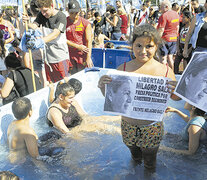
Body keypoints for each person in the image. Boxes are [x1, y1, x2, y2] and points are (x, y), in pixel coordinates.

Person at [98, 24, 179, 169]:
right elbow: (113, 100)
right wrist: (103, 87)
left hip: (151, 126)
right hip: (128, 125)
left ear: (156, 47)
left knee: (149, 161)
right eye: (139, 45)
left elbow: (175, 98)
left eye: (149, 46)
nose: (143, 51)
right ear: (132, 46)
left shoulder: (165, 72)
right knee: (135, 156)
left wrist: (176, 90)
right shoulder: (123, 69)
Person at [47, 80, 121, 134]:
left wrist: (92, 120)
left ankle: (122, 120)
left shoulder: (71, 102)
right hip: (72, 131)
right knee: (99, 126)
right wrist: (87, 128)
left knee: (102, 119)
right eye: (70, 98)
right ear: (61, 97)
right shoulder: (54, 111)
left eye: (73, 97)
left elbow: (84, 115)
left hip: (79, 123)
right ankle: (122, 133)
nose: (73, 100)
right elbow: (66, 133)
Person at [22, 0, 70, 83]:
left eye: (45, 11)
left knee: (64, 82)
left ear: (51, 6)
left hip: (60, 56)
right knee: (52, 82)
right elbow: (33, 26)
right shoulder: (41, 15)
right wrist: (27, 21)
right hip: (48, 58)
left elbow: (55, 34)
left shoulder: (61, 16)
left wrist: (40, 41)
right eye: (41, 11)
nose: (43, 14)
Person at [66, 0, 93, 75]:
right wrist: (77, 46)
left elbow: (89, 41)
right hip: (69, 55)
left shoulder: (85, 23)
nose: (74, 16)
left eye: (76, 13)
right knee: (72, 77)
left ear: (80, 11)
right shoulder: (64, 22)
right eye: (72, 13)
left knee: (83, 76)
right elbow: (62, 39)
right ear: (67, 10)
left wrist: (88, 57)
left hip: (82, 55)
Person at [157, 0, 179, 71]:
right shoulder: (176, 14)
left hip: (165, 39)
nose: (160, 9)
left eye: (161, 7)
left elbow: (161, 29)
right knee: (170, 57)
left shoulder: (164, 16)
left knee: (163, 58)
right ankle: (172, 73)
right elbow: (177, 27)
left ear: (166, 7)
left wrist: (157, 40)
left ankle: (163, 74)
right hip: (173, 38)